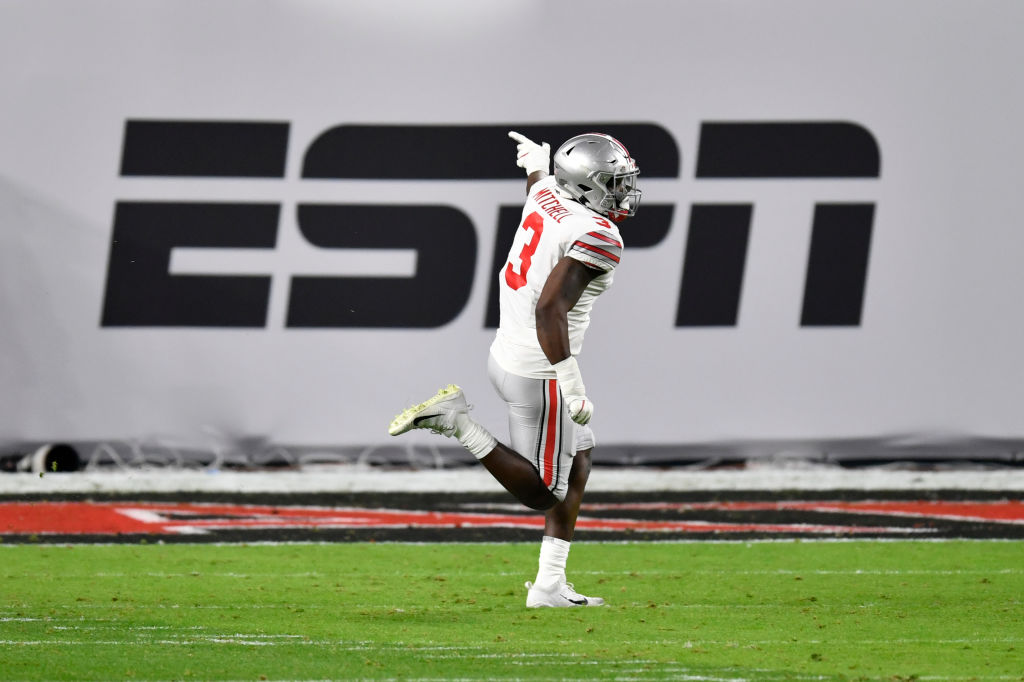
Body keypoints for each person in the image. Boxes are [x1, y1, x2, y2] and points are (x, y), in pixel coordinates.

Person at [389, 129, 640, 608]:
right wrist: (572, 385)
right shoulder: (600, 234)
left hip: (509, 352)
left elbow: (541, 198)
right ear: (586, 185)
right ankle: (457, 421)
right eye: (613, 182)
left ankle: (549, 584)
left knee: (580, 454)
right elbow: (551, 310)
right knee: (545, 492)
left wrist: (534, 169)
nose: (622, 192)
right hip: (537, 369)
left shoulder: (547, 192)